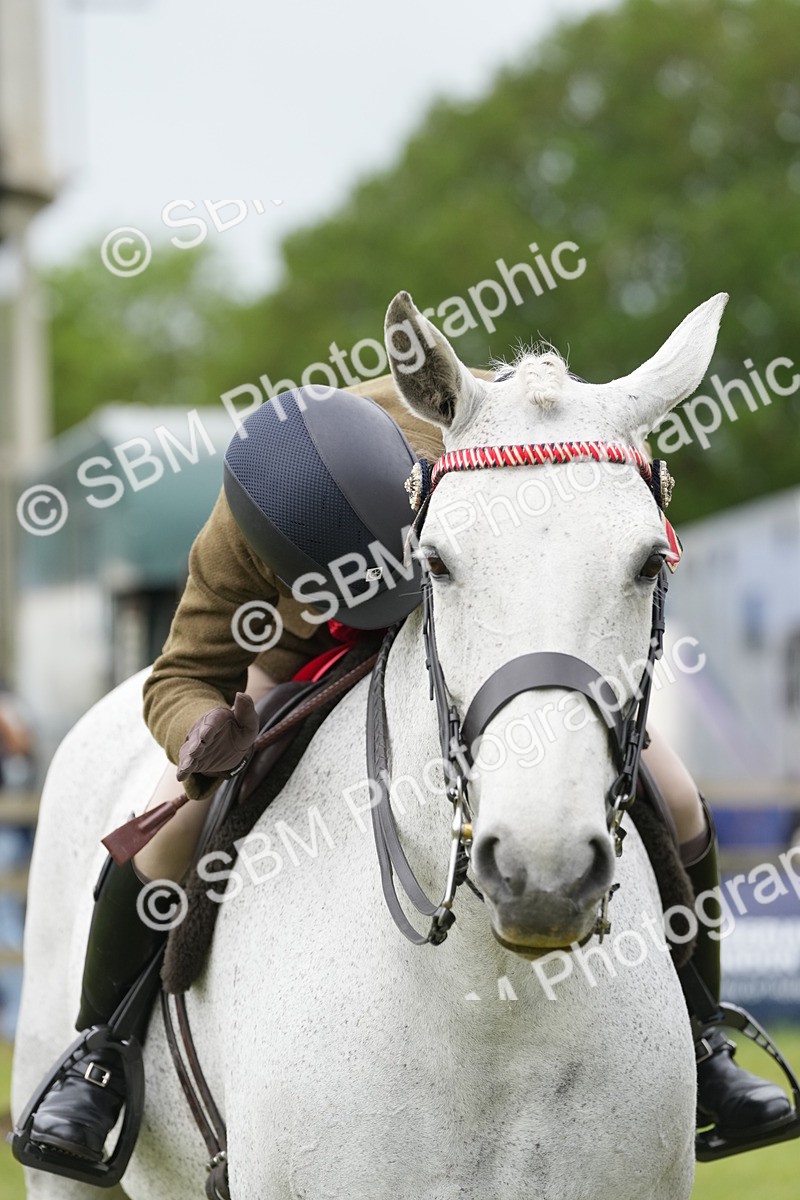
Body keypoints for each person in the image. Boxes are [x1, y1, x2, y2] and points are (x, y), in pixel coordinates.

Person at [23, 372, 794, 1171]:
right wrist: (201, 734)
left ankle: (706, 1039)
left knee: (676, 797)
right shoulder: (240, 523)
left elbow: (577, 506)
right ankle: (102, 1053)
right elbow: (178, 674)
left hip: (460, 637)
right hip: (298, 663)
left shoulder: (466, 431)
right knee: (168, 826)